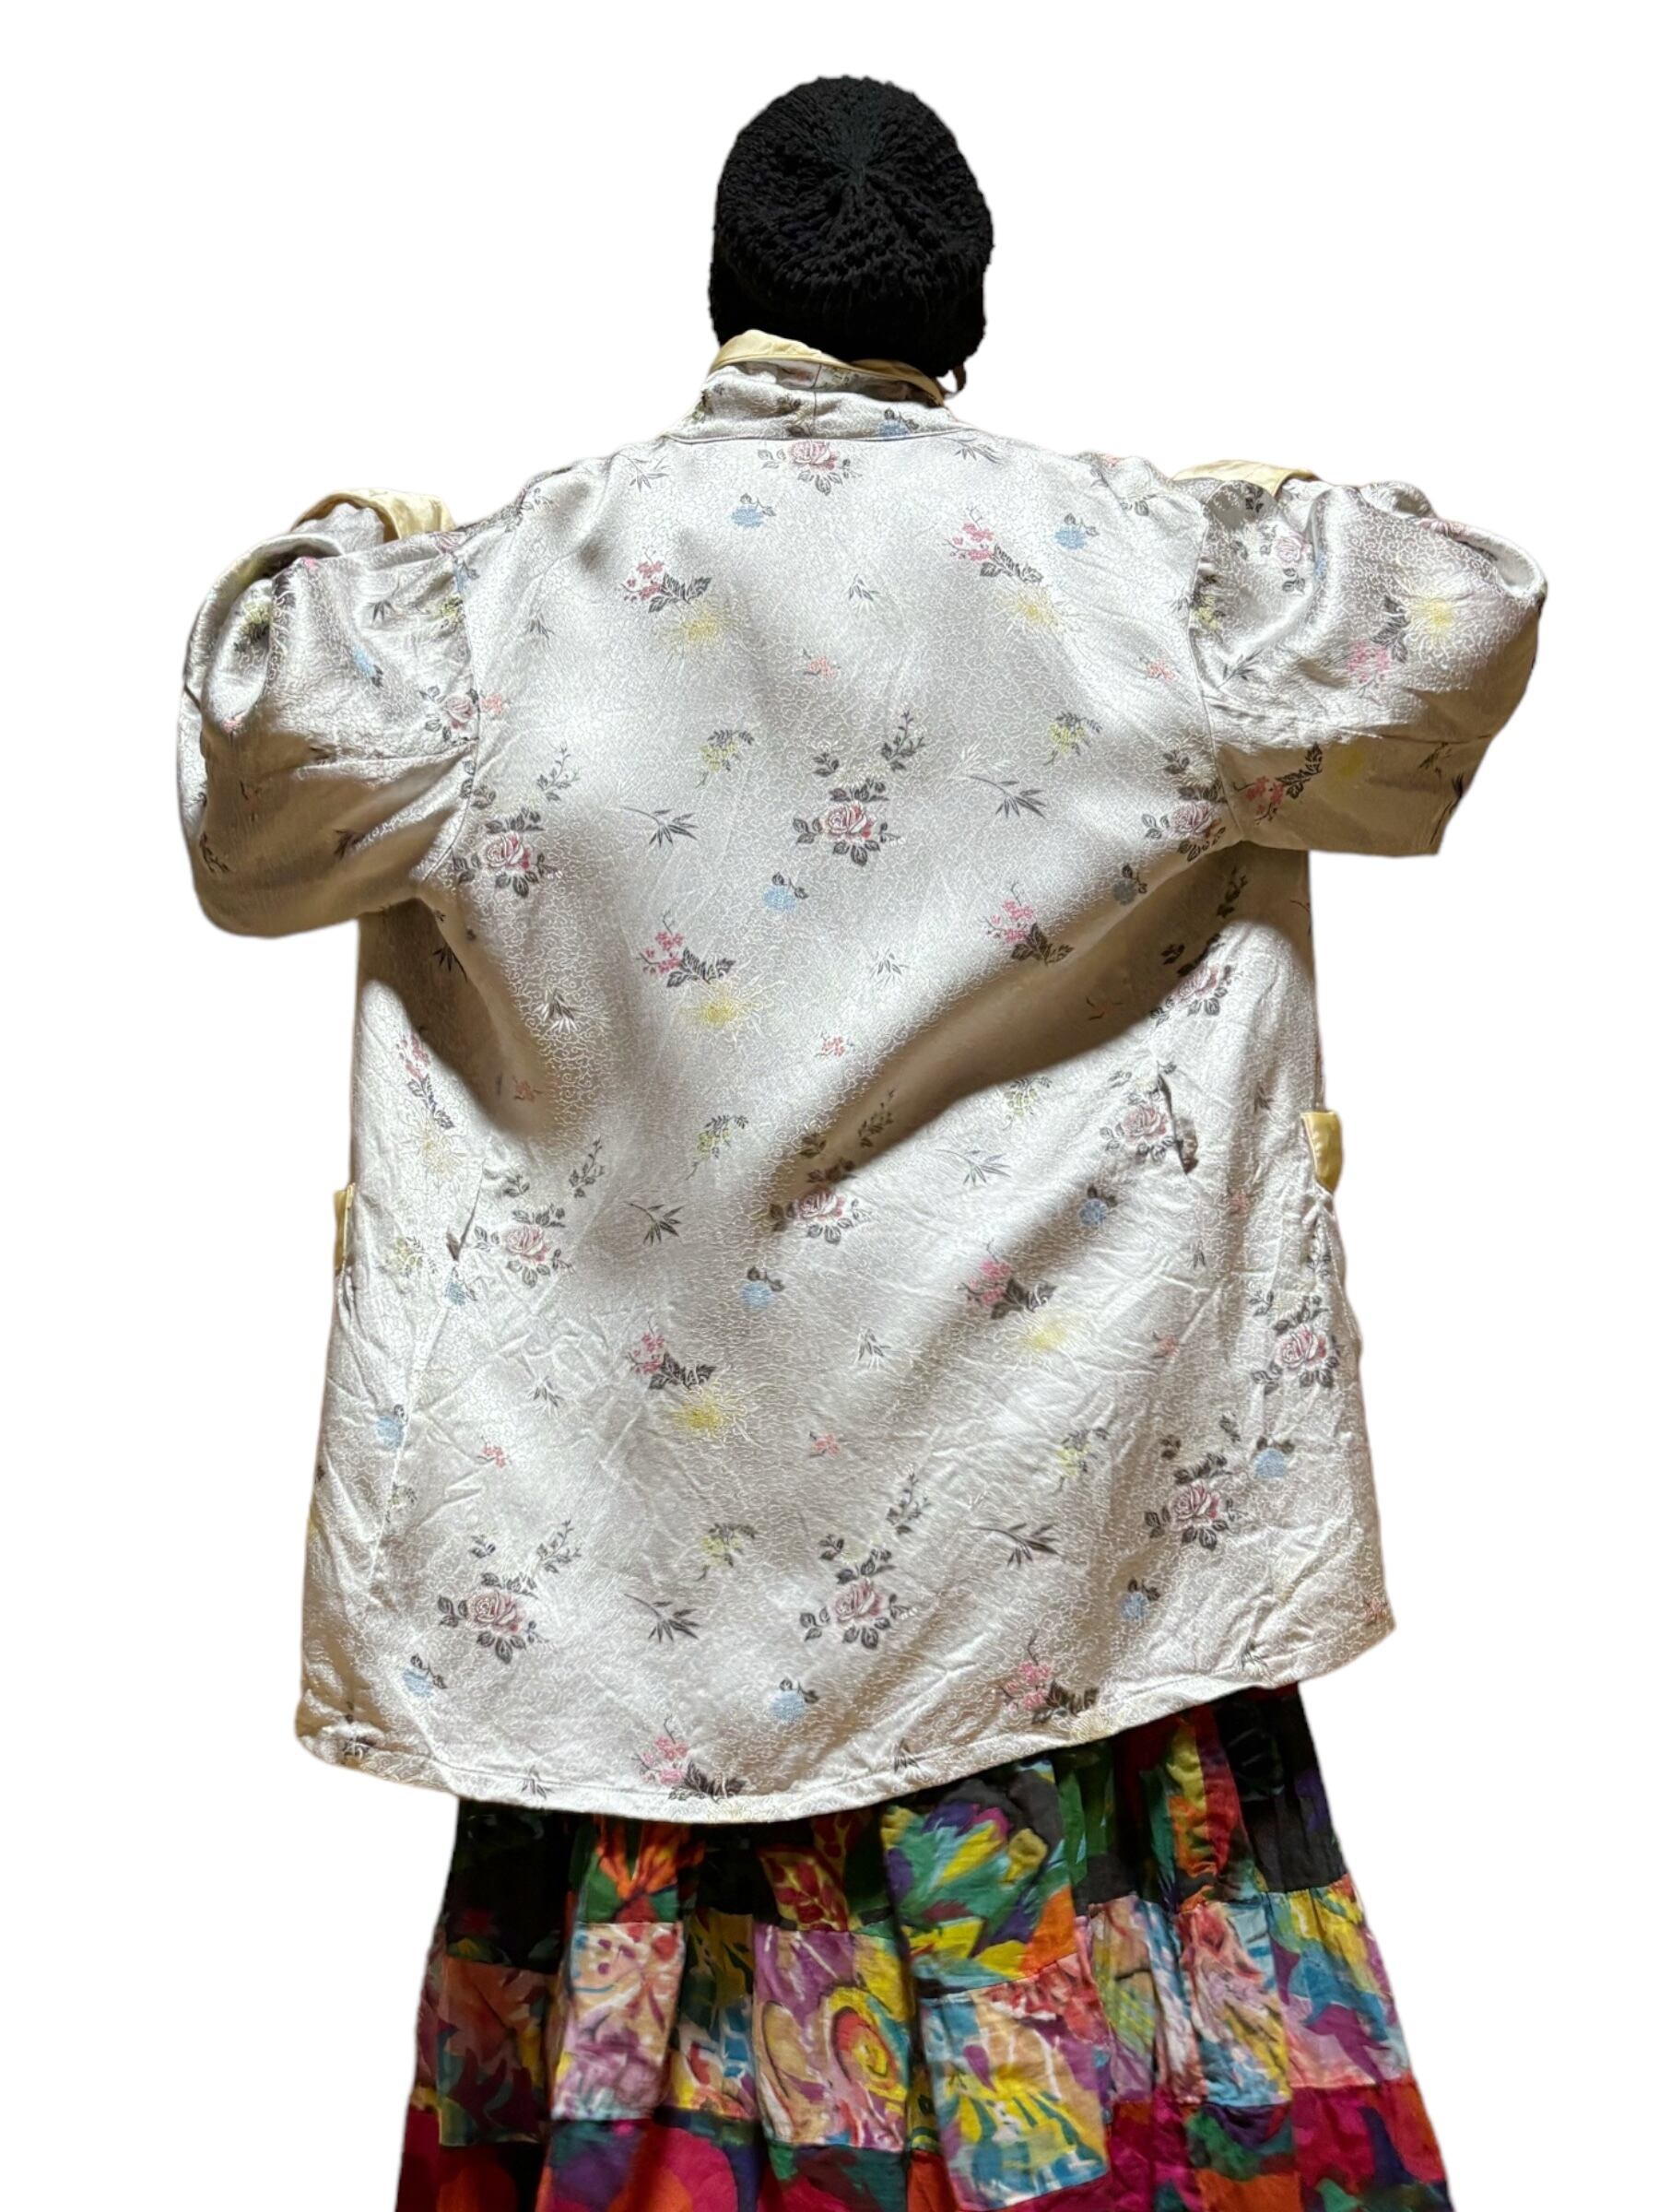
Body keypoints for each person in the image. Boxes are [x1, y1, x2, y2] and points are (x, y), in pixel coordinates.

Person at [175, 74, 1545, 2212]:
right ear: (966, 314)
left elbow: (257, 792)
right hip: (1055, 1572)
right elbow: (1453, 617)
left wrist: (348, 534)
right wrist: (1268, 501)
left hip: (646, 1600)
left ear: (723, 293)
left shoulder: (485, 611)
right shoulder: (1155, 584)